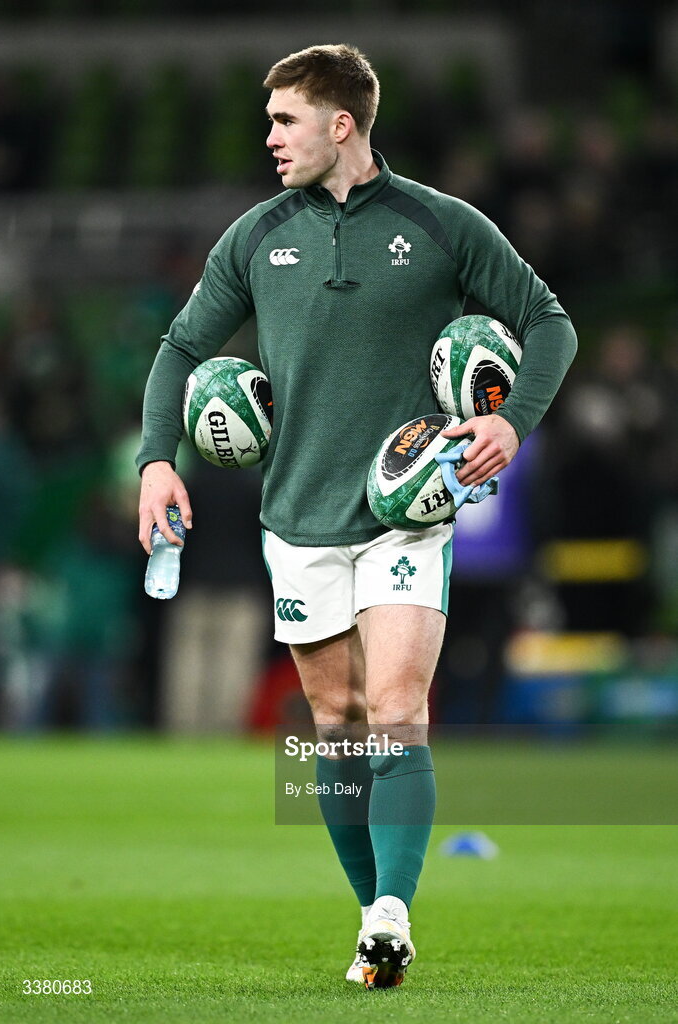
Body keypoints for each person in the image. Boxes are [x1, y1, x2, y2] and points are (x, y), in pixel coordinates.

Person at [136, 44, 577, 988]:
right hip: (295, 517)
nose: (270, 138)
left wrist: (510, 420)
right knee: (333, 720)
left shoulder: (442, 224)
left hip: (405, 509)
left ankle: (391, 910)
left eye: (285, 120)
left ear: (342, 125)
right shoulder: (256, 237)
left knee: (397, 710)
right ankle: (375, 925)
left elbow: (550, 321)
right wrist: (154, 465)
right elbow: (178, 350)